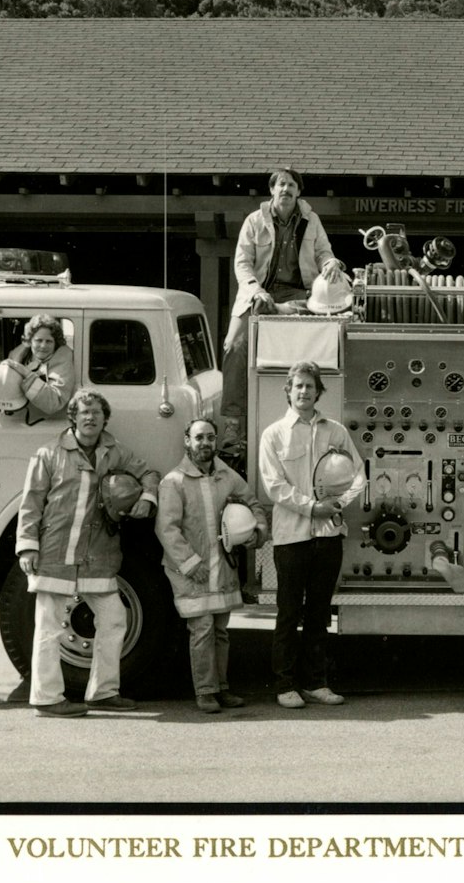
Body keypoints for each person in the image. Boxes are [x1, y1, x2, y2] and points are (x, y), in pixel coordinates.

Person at [14, 391, 162, 718]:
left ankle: (103, 692)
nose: (90, 418)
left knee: (114, 618)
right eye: (84, 413)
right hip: (56, 552)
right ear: (73, 418)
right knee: (49, 626)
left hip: (98, 555)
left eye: (96, 413)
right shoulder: (48, 454)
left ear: (105, 418)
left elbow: (149, 474)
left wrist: (147, 499)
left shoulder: (115, 451)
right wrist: (27, 546)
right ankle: (46, 698)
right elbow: (31, 504)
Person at [258, 361, 365, 709]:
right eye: (297, 386)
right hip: (291, 537)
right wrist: (311, 507)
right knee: (289, 612)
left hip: (329, 535)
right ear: (288, 390)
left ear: (320, 391)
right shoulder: (273, 434)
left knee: (319, 613)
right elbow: (274, 486)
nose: (303, 392)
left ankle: (316, 682)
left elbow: (358, 475)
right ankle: (286, 685)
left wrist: (337, 505)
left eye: (310, 386)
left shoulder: (335, 431)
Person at [154, 416, 267, 714]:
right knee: (201, 629)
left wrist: (258, 532)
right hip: (190, 571)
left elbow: (253, 502)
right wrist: (191, 564)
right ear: (187, 441)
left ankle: (222, 688)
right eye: (199, 437)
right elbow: (167, 529)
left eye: (210, 437)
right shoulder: (173, 481)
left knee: (220, 631)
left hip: (221, 567)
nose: (205, 443)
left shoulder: (226, 476)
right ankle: (205, 691)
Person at [221, 168, 347, 425]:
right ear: (272, 190)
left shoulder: (312, 221)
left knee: (329, 341)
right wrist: (257, 291)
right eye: (281, 184)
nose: (286, 189)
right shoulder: (254, 221)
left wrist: (331, 262)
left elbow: (323, 253)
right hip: (258, 294)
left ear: (298, 192)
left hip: (299, 296)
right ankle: (235, 425)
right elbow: (242, 264)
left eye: (291, 185)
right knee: (234, 346)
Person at [5, 314, 76, 422]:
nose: (43, 346)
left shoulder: (63, 359)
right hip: (17, 420)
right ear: (30, 341)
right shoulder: (19, 355)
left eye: (49, 341)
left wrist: (26, 374)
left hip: (50, 423)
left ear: (56, 343)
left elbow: (54, 402)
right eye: (39, 340)